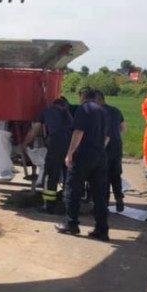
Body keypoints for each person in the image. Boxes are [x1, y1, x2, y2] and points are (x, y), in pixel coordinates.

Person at [55, 87, 110, 241]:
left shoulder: (83, 109)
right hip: (100, 155)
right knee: (99, 194)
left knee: (73, 189)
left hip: (83, 155)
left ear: (82, 96)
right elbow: (107, 137)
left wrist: (70, 154)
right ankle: (102, 229)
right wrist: (98, 150)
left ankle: (71, 223)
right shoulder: (103, 111)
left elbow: (78, 132)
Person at [22, 95, 73, 213]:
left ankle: (49, 206)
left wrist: (24, 144)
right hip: (71, 145)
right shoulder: (68, 114)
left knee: (51, 175)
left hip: (56, 144)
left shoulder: (47, 111)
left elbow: (35, 130)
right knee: (67, 176)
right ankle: (67, 205)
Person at [96, 91, 127, 212]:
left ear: (98, 100)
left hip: (104, 146)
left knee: (104, 175)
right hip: (117, 145)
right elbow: (124, 128)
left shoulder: (97, 112)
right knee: (116, 173)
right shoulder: (115, 110)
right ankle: (119, 199)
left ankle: (105, 203)